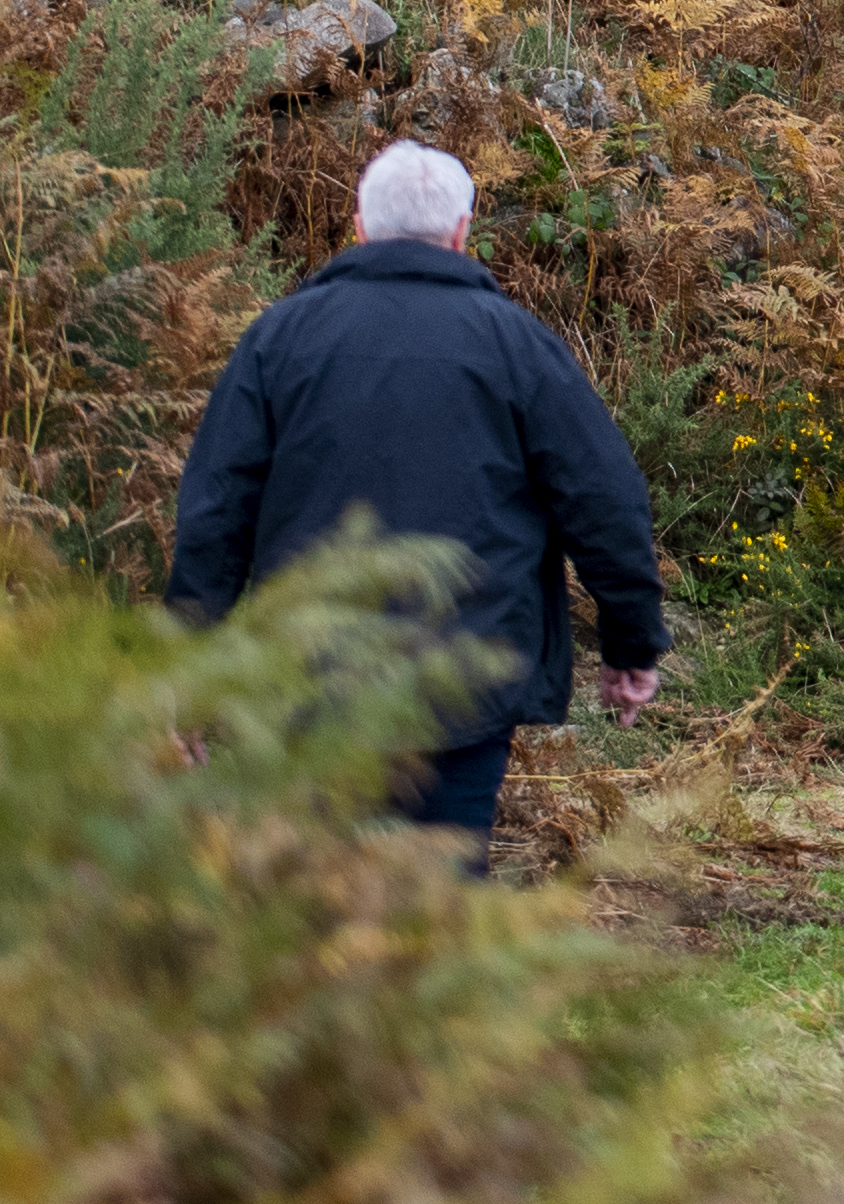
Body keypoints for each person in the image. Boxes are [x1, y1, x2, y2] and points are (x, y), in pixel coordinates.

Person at [171, 138, 666, 852]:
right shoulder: (517, 346)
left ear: (360, 226)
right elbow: (604, 499)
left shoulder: (278, 340)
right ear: (463, 231)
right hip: (465, 678)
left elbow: (215, 513)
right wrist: (632, 643)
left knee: (317, 890)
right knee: (443, 884)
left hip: (310, 673)